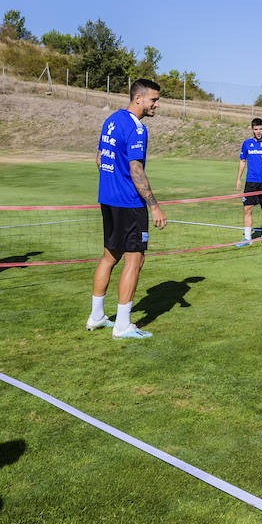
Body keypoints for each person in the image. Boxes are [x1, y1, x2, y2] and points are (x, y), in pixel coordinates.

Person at [89, 78, 167, 339]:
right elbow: (136, 169)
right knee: (135, 259)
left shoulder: (111, 119)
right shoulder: (137, 128)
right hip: (129, 203)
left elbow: (100, 159)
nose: (157, 104)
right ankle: (122, 326)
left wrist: (112, 183)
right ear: (139, 99)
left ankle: (97, 316)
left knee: (110, 256)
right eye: (153, 100)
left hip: (108, 200)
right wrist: (153, 206)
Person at [235, 117, 262, 247]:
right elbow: (242, 161)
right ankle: (247, 238)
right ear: (252, 130)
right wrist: (238, 179)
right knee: (247, 209)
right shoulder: (246, 144)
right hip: (251, 182)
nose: (258, 131)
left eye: (260, 129)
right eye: (256, 129)